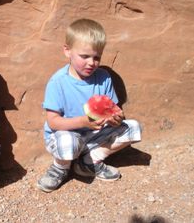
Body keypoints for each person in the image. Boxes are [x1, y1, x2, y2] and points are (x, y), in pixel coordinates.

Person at [37, 19, 142, 193]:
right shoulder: (58, 82)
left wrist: (116, 118)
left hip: (95, 136)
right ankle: (60, 168)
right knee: (66, 142)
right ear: (67, 51)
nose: (91, 63)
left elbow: (113, 109)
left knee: (133, 127)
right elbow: (54, 122)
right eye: (84, 56)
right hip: (67, 135)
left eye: (96, 57)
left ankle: (90, 161)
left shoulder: (104, 77)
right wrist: (84, 122)